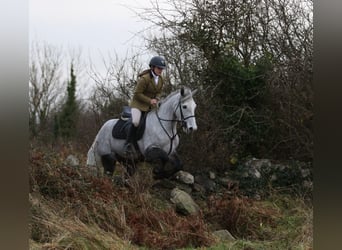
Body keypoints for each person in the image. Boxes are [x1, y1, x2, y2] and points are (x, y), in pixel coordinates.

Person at [124, 56, 166, 155]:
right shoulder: (144, 79)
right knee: (135, 122)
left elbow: (159, 92)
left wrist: (157, 99)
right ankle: (128, 144)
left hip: (151, 106)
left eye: (162, 69)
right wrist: (149, 100)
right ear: (152, 67)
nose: (161, 70)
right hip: (138, 105)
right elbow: (137, 94)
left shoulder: (161, 79)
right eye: (159, 68)